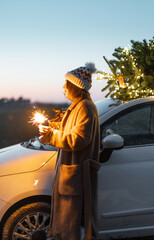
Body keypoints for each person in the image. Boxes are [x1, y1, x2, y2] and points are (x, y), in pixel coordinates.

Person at [39, 63, 100, 240]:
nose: (63, 87)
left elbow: (79, 139)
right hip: (73, 175)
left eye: (66, 84)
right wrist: (51, 127)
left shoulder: (85, 108)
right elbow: (70, 128)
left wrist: (51, 135)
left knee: (75, 224)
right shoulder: (79, 106)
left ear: (76, 87)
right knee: (71, 223)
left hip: (77, 176)